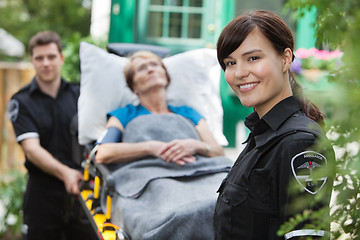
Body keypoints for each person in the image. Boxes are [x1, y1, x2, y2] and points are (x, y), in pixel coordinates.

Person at [214, 10, 334, 239]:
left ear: (285, 59)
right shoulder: (263, 133)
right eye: (230, 62)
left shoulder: (300, 143)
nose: (239, 73)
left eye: (253, 58)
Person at [7, 31, 96, 240]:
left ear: (61, 58)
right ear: (32, 61)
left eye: (51, 57)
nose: (46, 63)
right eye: (39, 58)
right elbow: (31, 149)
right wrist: (65, 173)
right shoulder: (21, 102)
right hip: (42, 196)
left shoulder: (80, 95)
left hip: (82, 193)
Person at [95, 50, 225, 164]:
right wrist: (151, 148)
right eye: (141, 68)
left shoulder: (189, 113)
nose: (151, 69)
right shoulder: (124, 115)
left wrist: (197, 146)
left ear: (166, 76)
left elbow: (219, 152)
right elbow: (103, 152)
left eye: (155, 65)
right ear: (134, 87)